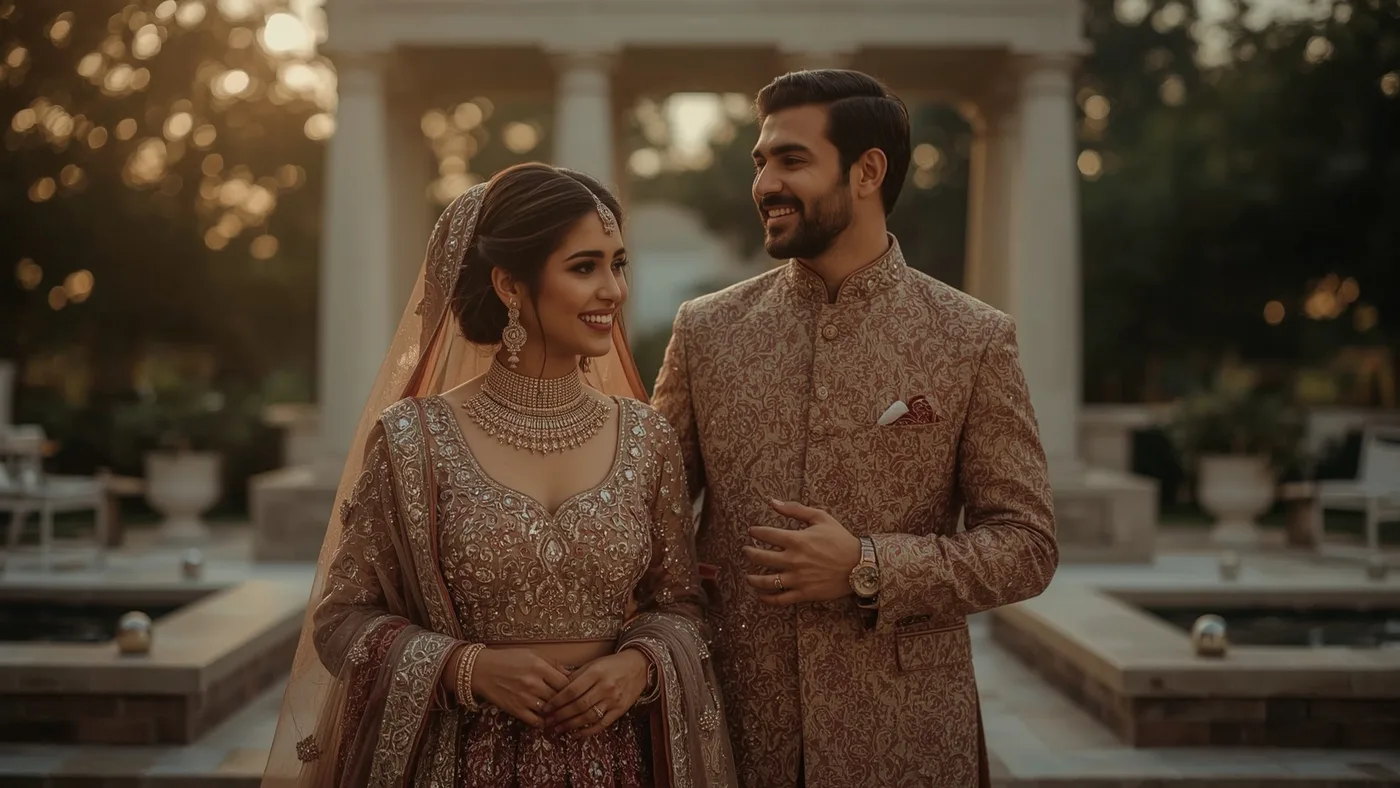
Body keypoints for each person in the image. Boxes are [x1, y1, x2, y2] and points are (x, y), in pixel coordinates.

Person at [262, 163, 738, 788]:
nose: (614, 291)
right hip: (459, 761)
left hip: (615, 760)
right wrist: (465, 668)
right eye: (585, 268)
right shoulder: (415, 440)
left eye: (618, 265)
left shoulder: (646, 437)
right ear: (510, 285)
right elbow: (341, 620)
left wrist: (640, 666)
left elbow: (681, 606)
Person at [652, 69, 1059, 787]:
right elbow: (650, 516)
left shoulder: (971, 338)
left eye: (792, 160)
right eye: (760, 162)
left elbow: (1027, 545)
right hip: (737, 724)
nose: (765, 184)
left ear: (868, 171)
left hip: (907, 734)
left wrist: (868, 565)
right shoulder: (707, 331)